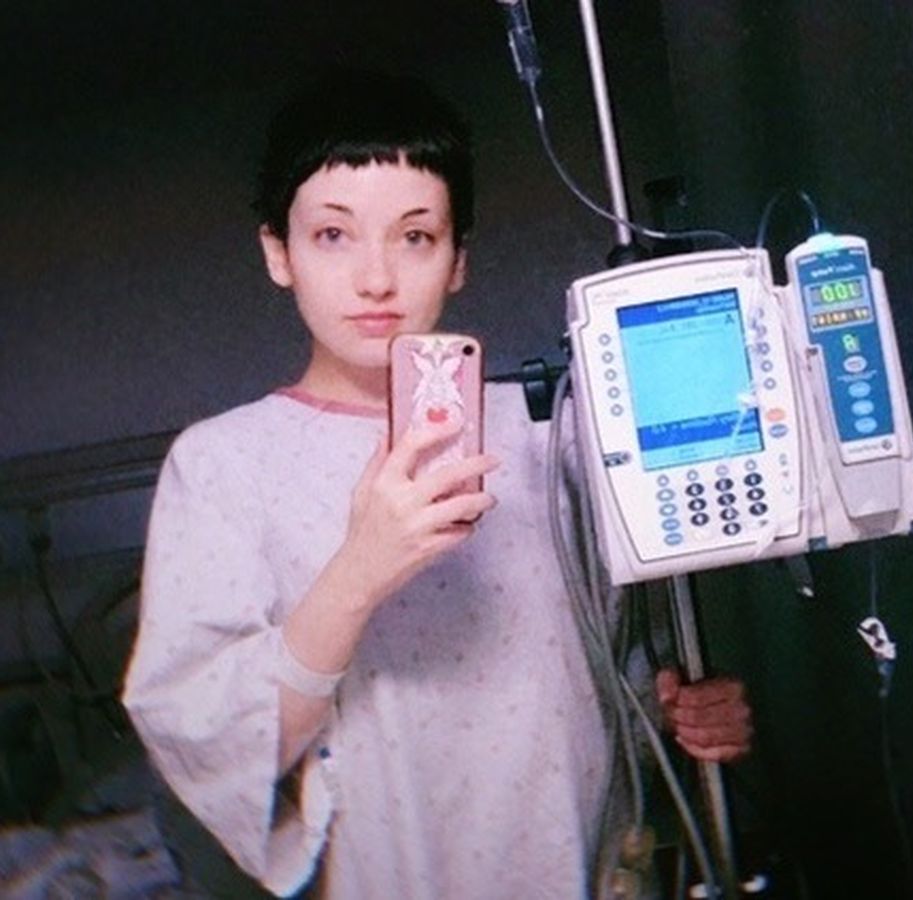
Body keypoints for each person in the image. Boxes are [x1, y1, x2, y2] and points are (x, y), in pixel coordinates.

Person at [122, 67, 752, 899]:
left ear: (458, 260)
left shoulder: (552, 429)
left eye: (415, 236)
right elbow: (205, 740)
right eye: (334, 235)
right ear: (278, 252)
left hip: (578, 860)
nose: (376, 278)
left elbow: (624, 673)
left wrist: (692, 711)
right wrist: (357, 572)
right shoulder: (222, 465)